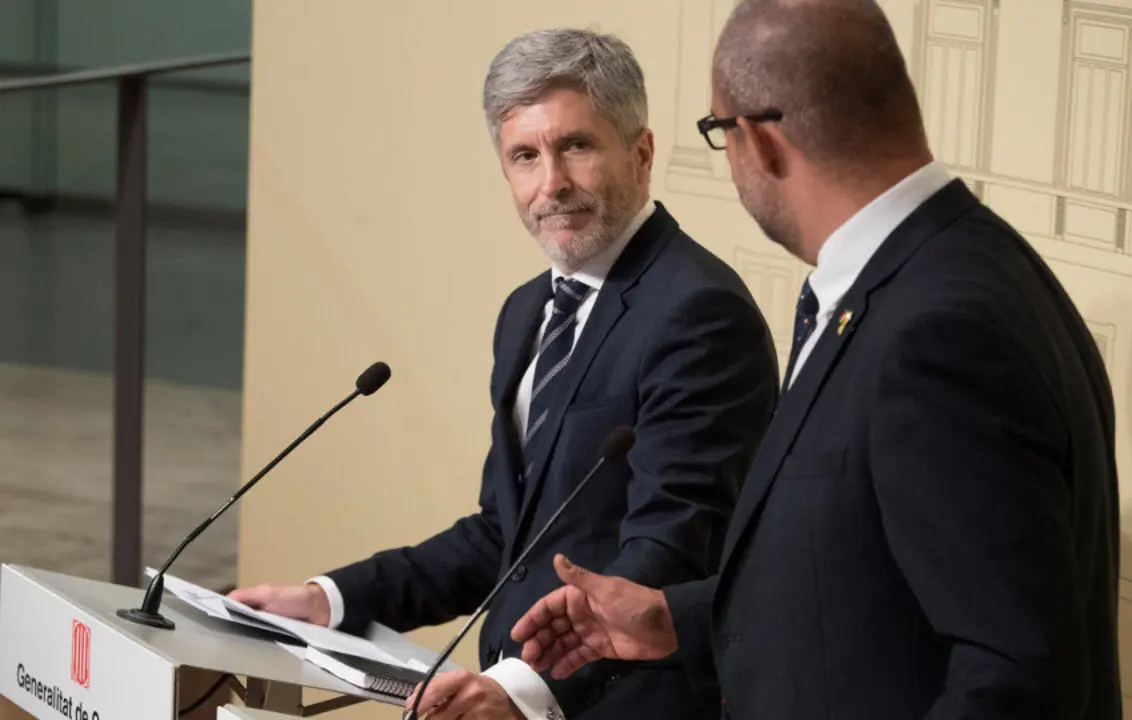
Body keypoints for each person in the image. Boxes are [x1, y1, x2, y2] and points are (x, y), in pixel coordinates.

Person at [510, 1, 1124, 718]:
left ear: (759, 143)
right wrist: (679, 619)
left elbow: (1017, 680)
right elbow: (865, 581)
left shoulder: (938, 331)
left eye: (718, 134)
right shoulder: (947, 268)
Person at [229, 28, 779, 720]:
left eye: (576, 146)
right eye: (525, 156)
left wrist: (522, 691)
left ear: (640, 152)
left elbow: (669, 552)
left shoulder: (698, 313)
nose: (551, 184)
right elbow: (504, 536)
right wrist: (331, 597)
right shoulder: (528, 313)